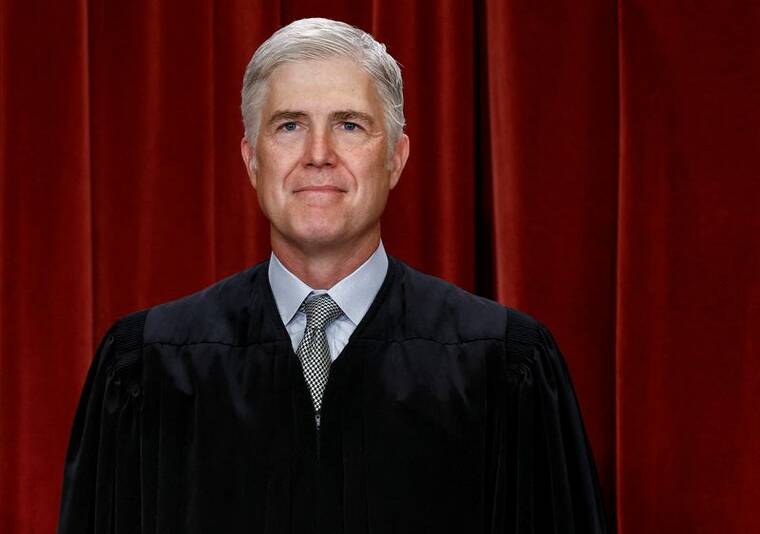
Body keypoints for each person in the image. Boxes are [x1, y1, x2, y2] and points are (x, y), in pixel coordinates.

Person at [57, 18, 607, 534]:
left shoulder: (503, 367)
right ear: (252, 160)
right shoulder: (148, 371)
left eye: (349, 125)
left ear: (395, 157)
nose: (318, 155)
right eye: (289, 125)